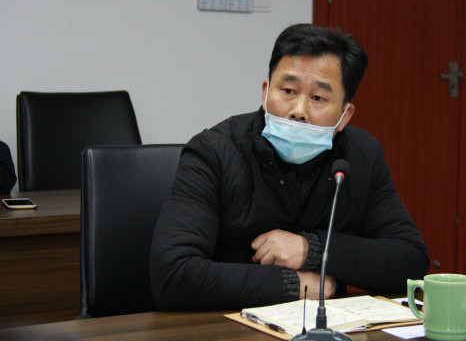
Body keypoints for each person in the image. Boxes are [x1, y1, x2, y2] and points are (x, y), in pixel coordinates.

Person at [149, 23, 429, 311]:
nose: (299, 111)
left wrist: (311, 250)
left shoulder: (361, 155)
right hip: (226, 322)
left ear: (345, 116)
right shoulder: (214, 152)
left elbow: (410, 260)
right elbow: (173, 275)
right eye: (288, 90)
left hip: (326, 324)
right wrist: (293, 285)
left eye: (318, 98)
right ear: (265, 93)